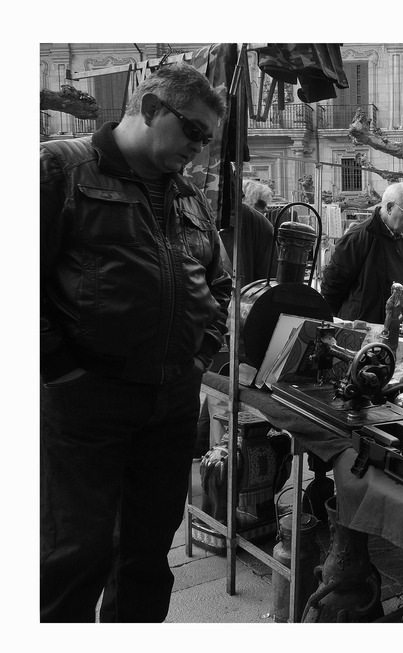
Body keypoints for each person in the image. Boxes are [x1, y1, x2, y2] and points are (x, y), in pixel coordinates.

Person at [40, 63, 231, 622]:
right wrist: (62, 371)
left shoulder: (188, 195)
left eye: (207, 138)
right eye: (192, 131)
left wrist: (200, 356)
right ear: (150, 110)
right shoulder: (59, 168)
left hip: (171, 403)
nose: (199, 148)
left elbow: (219, 281)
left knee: (148, 558)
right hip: (87, 401)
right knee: (75, 557)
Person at [320, 181, 403, 324]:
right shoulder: (358, 238)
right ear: (390, 207)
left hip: (400, 331)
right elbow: (330, 289)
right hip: (365, 332)